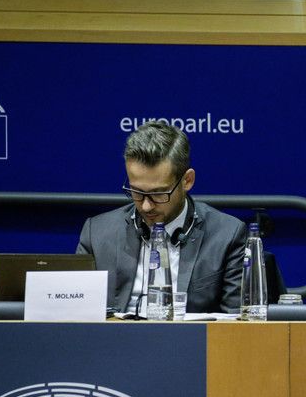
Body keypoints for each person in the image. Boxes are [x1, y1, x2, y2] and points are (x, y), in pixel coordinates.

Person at [77, 121, 265, 315]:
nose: (146, 206)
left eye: (159, 193)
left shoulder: (227, 235)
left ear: (187, 181)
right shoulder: (96, 234)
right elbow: (77, 316)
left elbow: (236, 323)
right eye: (137, 192)